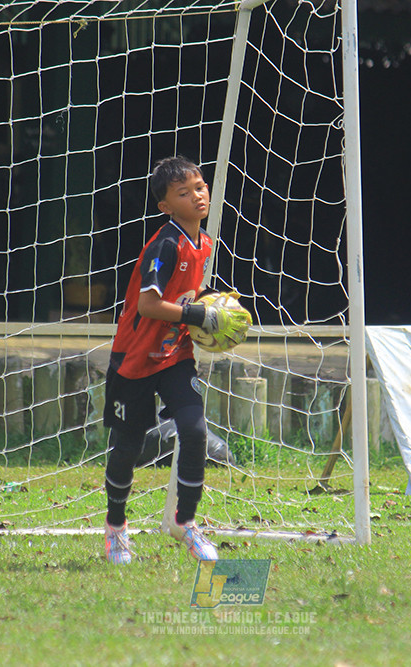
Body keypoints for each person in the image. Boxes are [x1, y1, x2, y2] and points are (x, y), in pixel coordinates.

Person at [102, 156, 248, 565]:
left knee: (195, 430)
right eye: (184, 193)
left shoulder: (204, 243)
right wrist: (197, 314)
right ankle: (116, 528)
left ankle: (186, 523)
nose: (197, 196)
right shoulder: (166, 244)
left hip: (174, 355)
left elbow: (185, 296)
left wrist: (211, 307)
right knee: (129, 446)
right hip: (133, 358)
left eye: (200, 187)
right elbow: (148, 305)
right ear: (165, 206)